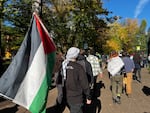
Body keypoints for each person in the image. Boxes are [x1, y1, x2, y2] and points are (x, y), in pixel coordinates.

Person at [56, 47, 91, 113]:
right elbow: (84, 84)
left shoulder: (64, 65)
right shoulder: (78, 67)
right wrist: (88, 96)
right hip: (76, 97)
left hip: (66, 96)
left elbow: (58, 81)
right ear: (76, 55)